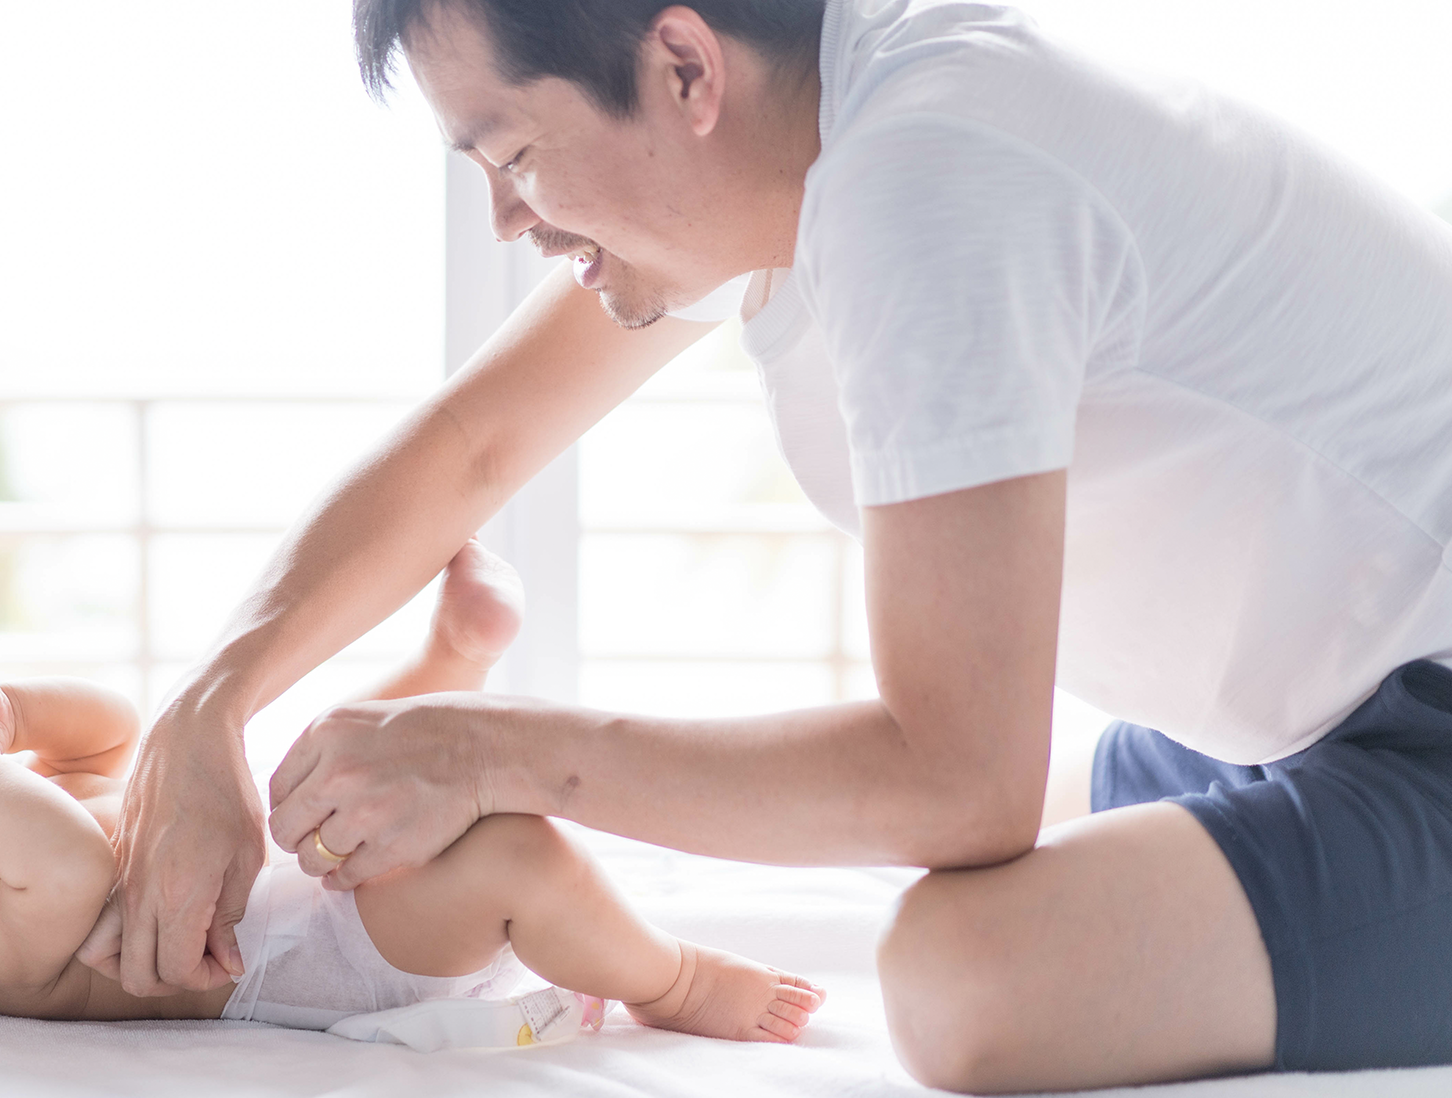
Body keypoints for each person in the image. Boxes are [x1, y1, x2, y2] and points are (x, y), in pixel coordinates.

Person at [89, 0, 1452, 1092]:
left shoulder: (930, 173)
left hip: (1422, 721)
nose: (509, 217)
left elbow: (955, 778)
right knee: (1012, 826)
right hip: (1319, 710)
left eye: (512, 156)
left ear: (683, 64)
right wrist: (210, 704)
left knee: (965, 971)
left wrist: (488, 748)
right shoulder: (806, 133)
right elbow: (475, 447)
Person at [0, 542, 826, 1042]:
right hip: (334, 955)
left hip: (302, 869)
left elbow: (123, 735)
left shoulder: (9, 828)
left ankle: (447, 669)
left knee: (313, 755)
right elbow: (79, 862)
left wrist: (17, 715)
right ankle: (672, 981)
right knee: (521, 858)